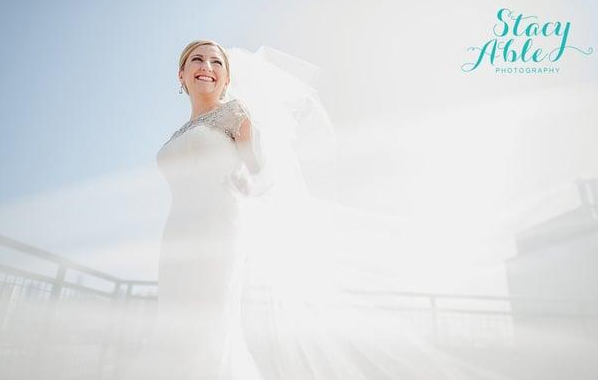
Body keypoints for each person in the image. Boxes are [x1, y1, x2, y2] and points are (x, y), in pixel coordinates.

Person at [120, 40, 503, 380]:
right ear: (182, 74)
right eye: (198, 60)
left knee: (207, 325)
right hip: (176, 237)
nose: (208, 66)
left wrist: (248, 175)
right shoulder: (179, 132)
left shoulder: (235, 114)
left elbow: (259, 171)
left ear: (225, 77)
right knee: (172, 324)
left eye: (217, 62)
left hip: (219, 231)